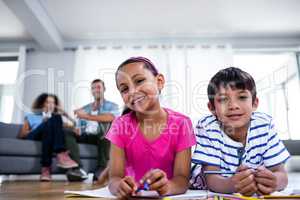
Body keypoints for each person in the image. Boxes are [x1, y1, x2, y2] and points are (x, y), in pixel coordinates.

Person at [106, 57, 196, 198]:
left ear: (159, 82)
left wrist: (168, 187)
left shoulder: (182, 123)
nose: (133, 91)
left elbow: (182, 179)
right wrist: (119, 186)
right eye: (124, 89)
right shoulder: (119, 125)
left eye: (139, 81)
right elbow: (114, 177)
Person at [191, 67, 290, 196]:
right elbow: (212, 180)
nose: (233, 106)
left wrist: (274, 181)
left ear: (254, 103)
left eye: (242, 97)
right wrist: (234, 185)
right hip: (205, 184)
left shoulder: (264, 125)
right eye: (223, 99)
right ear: (212, 108)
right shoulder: (207, 127)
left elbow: (282, 174)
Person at [65, 79, 119, 181]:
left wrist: (86, 116)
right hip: (86, 135)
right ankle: (77, 168)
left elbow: (111, 118)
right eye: (93, 88)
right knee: (67, 132)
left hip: (101, 135)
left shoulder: (112, 106)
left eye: (98, 87)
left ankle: (102, 167)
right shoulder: (86, 107)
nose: (96, 90)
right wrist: (76, 127)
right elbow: (79, 124)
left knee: (106, 127)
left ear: (104, 89)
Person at [19, 93, 79, 181]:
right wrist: (42, 124)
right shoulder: (31, 116)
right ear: (42, 103)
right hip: (34, 135)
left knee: (55, 118)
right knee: (48, 123)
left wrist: (65, 114)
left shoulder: (56, 120)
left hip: (47, 135)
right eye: (47, 102)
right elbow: (22, 135)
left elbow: (74, 125)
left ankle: (46, 169)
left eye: (53, 103)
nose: (50, 105)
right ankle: (61, 153)